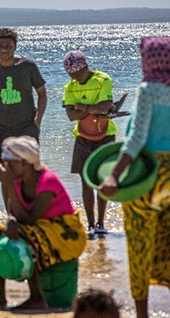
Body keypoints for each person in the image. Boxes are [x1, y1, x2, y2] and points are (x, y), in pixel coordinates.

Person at [99, 37, 170, 318]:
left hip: (149, 175)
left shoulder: (148, 89)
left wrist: (114, 175)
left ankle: (142, 314)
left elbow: (136, 138)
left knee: (140, 243)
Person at [0, 136, 86, 310]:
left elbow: (29, 218)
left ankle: (37, 297)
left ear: (25, 163)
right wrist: (9, 222)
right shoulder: (18, 180)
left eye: (9, 163)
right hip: (40, 228)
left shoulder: (47, 181)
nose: (5, 167)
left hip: (66, 233)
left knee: (25, 234)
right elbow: (14, 214)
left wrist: (8, 184)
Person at [0, 28, 47, 209]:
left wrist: (37, 122)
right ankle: (11, 214)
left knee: (30, 173)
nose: (4, 49)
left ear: (15, 47)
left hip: (27, 129)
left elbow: (42, 94)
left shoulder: (28, 66)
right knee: (6, 176)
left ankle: (30, 212)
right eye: (0, 46)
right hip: (1, 131)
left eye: (8, 46)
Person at [62, 51, 116, 235]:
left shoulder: (103, 80)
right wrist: (93, 110)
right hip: (82, 137)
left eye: (78, 73)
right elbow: (71, 115)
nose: (75, 77)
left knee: (103, 180)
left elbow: (106, 107)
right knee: (85, 182)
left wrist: (82, 108)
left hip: (105, 135)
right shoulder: (70, 86)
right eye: (72, 75)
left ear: (85, 67)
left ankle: (101, 223)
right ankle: (91, 224)